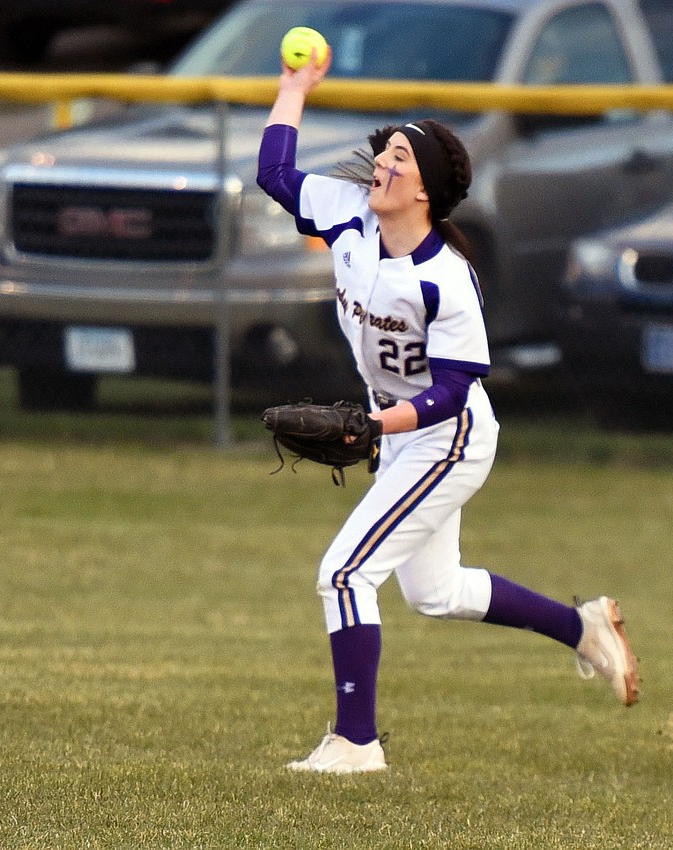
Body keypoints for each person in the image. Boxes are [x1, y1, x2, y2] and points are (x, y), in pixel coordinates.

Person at [256, 47, 639, 774]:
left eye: (400, 160)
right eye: (385, 153)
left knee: (345, 574)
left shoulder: (446, 280)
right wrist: (293, 87)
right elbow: (274, 173)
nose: (383, 166)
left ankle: (355, 743)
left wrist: (375, 428)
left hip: (449, 439)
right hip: (399, 430)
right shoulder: (349, 217)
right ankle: (583, 626)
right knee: (436, 592)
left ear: (425, 190)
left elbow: (454, 392)